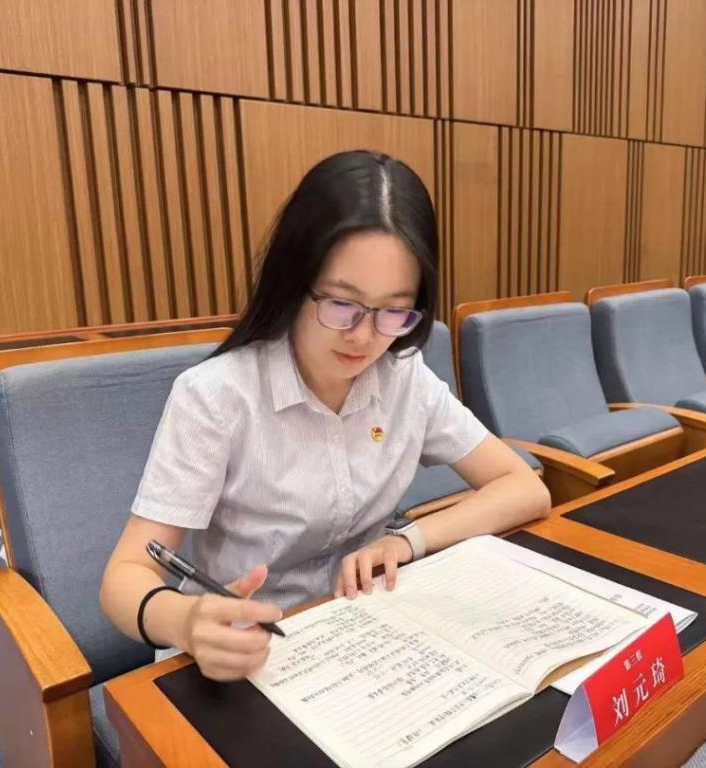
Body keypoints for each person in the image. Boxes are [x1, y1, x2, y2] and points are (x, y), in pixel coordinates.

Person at [100, 150, 551, 682]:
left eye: (394, 311)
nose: (363, 336)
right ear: (295, 281)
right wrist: (185, 621)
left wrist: (407, 540)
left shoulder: (402, 378)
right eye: (341, 304)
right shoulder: (218, 397)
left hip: (358, 637)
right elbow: (126, 576)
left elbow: (524, 487)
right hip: (239, 653)